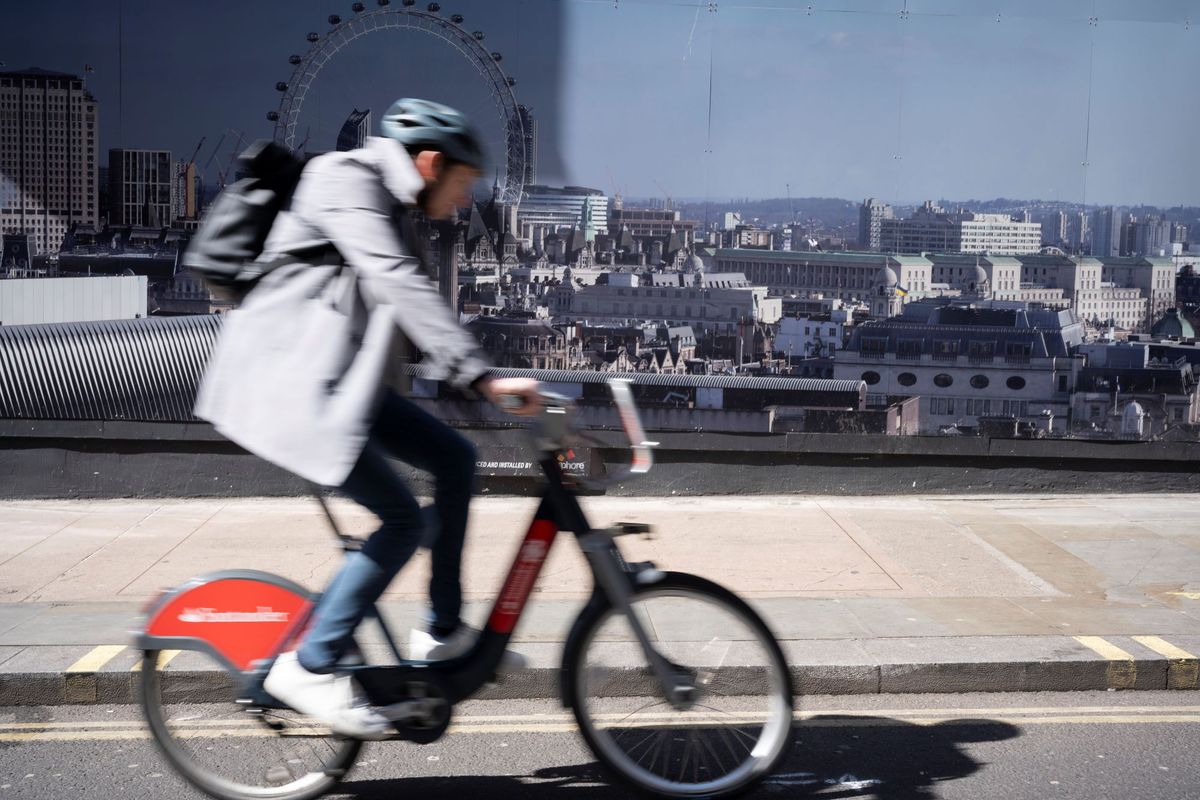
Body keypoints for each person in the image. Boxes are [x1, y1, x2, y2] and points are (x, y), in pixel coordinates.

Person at [194, 98, 541, 738]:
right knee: (403, 521)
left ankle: (440, 631)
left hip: (334, 383)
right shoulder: (345, 180)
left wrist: (460, 376)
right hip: (289, 385)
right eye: (464, 185)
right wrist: (480, 374)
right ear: (431, 163)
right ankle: (309, 664)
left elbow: (392, 306)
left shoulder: (397, 201)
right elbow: (394, 279)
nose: (466, 201)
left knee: (455, 460)